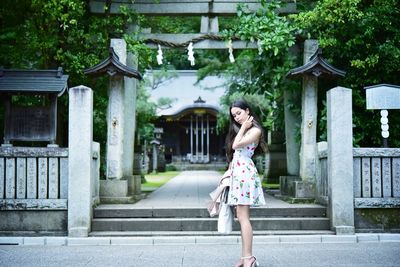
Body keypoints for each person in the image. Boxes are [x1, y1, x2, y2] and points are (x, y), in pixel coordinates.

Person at [226, 100, 267, 267]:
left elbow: (236, 145)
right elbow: (235, 155)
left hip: (245, 173)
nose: (236, 118)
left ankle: (249, 258)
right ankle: (245, 258)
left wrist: (243, 127)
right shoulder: (244, 130)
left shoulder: (255, 130)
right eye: (234, 115)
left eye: (239, 113)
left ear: (247, 111)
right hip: (238, 172)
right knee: (240, 217)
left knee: (244, 218)